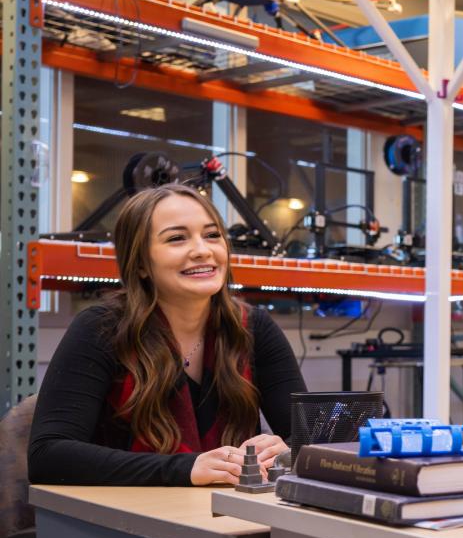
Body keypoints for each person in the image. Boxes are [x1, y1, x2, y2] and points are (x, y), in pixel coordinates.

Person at [29, 183, 306, 486]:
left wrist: (289, 451)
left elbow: (310, 435)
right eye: (176, 238)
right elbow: (48, 456)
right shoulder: (101, 329)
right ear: (141, 264)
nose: (202, 250)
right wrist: (187, 469)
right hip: (123, 523)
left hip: (233, 518)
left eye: (212, 235)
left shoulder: (253, 328)